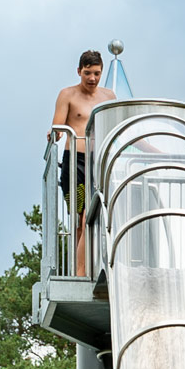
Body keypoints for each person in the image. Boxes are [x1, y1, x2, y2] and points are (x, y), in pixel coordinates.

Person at [48, 50, 115, 272]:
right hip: (74, 162)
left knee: (91, 215)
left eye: (96, 73)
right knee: (79, 220)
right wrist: (54, 135)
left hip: (97, 162)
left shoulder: (108, 97)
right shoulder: (67, 95)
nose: (92, 79)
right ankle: (79, 271)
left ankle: (83, 270)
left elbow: (117, 129)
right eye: (87, 73)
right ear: (79, 71)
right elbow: (58, 125)